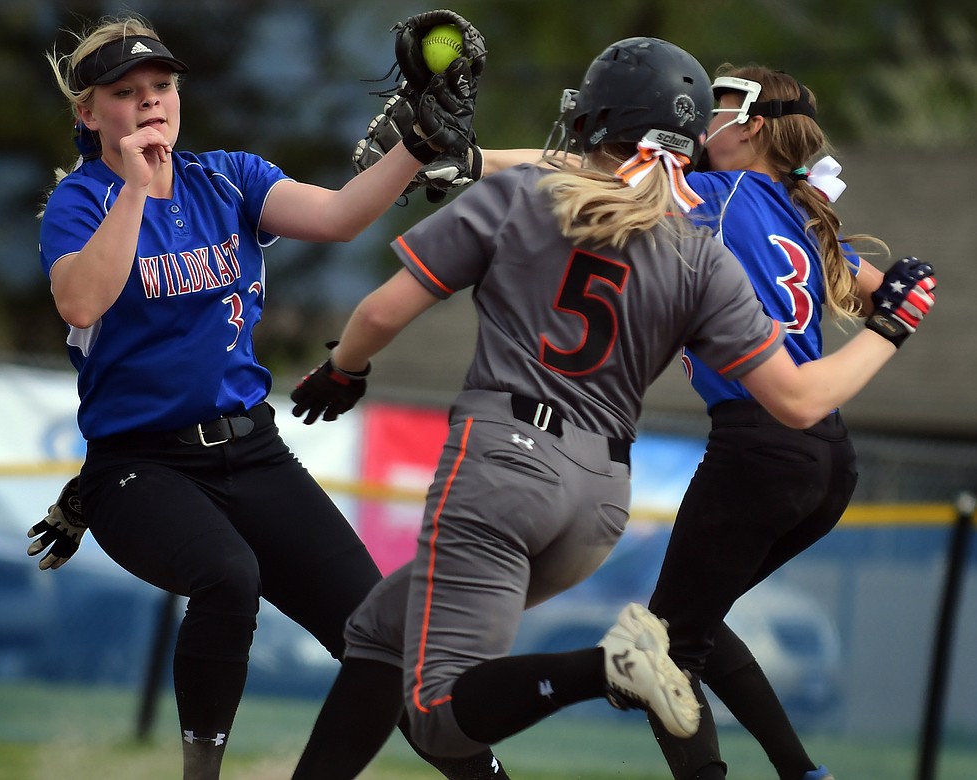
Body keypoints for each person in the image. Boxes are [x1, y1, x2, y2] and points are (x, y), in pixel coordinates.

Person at [285, 36, 935, 780]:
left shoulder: (578, 197)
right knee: (377, 634)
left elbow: (384, 308)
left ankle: (610, 669)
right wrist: (892, 325)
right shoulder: (724, 243)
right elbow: (810, 380)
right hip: (607, 496)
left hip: (508, 460)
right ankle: (785, 761)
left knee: (441, 717)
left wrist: (346, 365)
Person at [32, 13, 509, 780]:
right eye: (126, 93)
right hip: (138, 466)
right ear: (90, 114)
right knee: (228, 576)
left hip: (251, 453)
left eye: (162, 87)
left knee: (382, 637)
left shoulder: (227, 178)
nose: (151, 102)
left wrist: (419, 144)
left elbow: (340, 217)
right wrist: (133, 188)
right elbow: (83, 302)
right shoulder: (81, 204)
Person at [637, 65, 892, 780]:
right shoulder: (798, 205)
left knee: (661, 648)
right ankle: (802, 773)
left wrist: (476, 163)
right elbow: (892, 290)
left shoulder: (722, 193)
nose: (702, 122)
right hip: (826, 459)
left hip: (759, 445)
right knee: (692, 621)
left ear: (750, 124)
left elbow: (573, 173)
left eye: (717, 109)